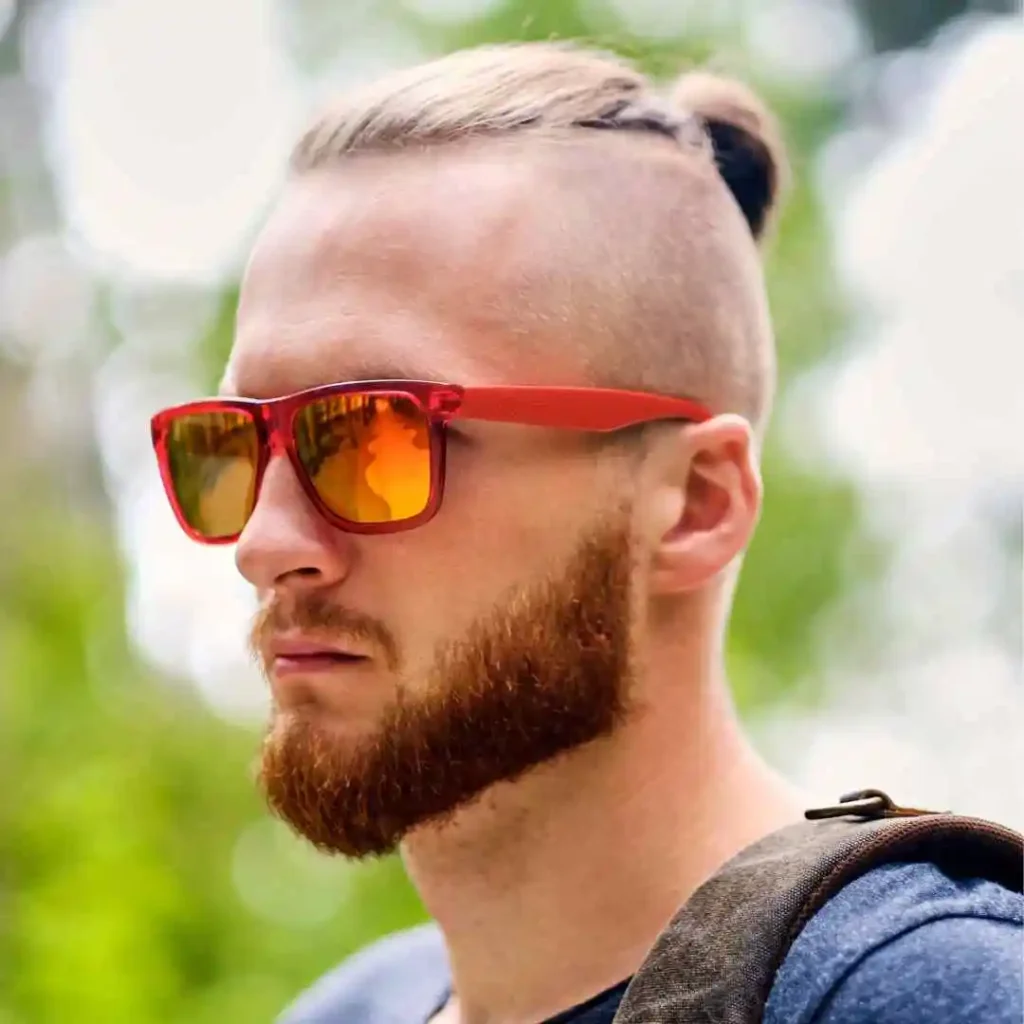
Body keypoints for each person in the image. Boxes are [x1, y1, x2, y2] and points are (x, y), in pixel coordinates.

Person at [149, 42, 1022, 1024]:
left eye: (372, 435)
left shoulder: (911, 996)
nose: (263, 541)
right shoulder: (348, 1009)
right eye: (230, 442)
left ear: (695, 503)